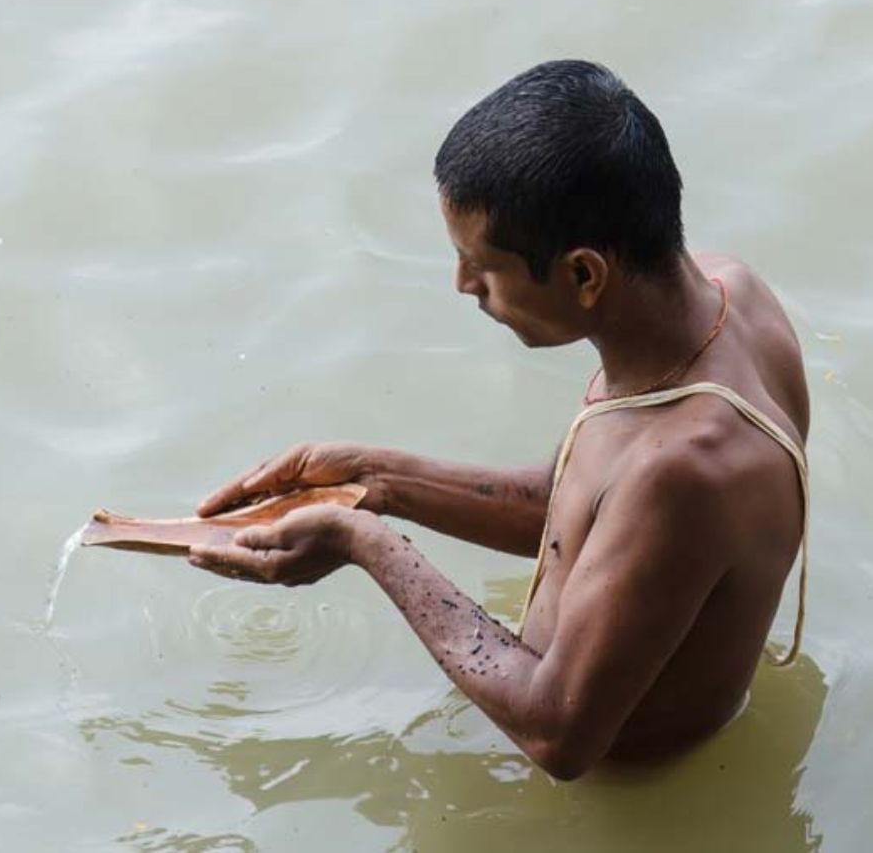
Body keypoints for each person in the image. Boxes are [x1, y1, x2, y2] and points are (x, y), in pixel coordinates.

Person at [190, 60, 810, 780]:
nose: (461, 285)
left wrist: (367, 545)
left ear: (584, 276)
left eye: (479, 265)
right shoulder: (726, 295)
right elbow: (575, 512)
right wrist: (376, 479)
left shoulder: (685, 470)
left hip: (632, 780)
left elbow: (558, 735)